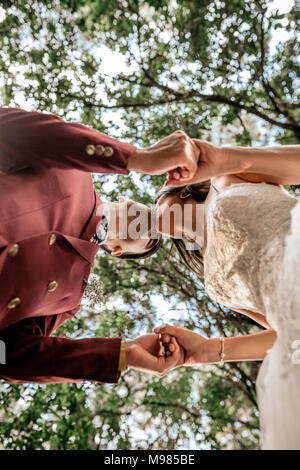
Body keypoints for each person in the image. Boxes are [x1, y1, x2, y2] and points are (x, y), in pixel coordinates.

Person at [103, 139, 300, 449]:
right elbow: (286, 337)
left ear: (177, 189)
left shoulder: (227, 177)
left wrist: (223, 157)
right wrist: (209, 350)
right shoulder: (214, 280)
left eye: (154, 206)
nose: (151, 215)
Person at [0, 107, 198, 384]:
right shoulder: (74, 164)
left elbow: (7, 356)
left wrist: (122, 355)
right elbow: (11, 129)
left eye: (151, 239)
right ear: (124, 199)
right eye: (152, 219)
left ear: (118, 250)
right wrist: (136, 158)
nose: (153, 227)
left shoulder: (69, 297)